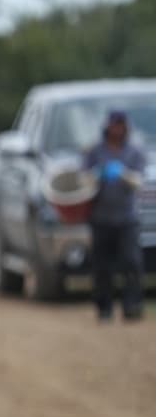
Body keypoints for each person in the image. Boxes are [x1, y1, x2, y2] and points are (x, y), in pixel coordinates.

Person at [81, 110, 146, 321]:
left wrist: (122, 174)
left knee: (131, 262)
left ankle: (132, 305)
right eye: (113, 125)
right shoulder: (94, 152)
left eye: (120, 125)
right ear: (107, 127)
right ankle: (104, 308)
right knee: (102, 266)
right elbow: (82, 180)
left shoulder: (134, 152)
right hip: (101, 218)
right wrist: (96, 175)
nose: (117, 130)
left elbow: (139, 181)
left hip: (127, 218)